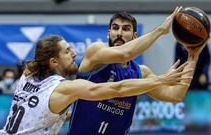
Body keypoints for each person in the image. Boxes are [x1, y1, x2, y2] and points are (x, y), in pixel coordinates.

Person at [0, 35, 191, 135]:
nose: (74, 53)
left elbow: (37, 107)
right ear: (53, 62)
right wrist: (160, 79)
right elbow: (117, 89)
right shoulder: (64, 88)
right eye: (67, 51)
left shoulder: (28, 75)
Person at [68, 7, 209, 135]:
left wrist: (193, 58)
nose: (119, 33)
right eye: (115, 28)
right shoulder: (95, 53)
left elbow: (174, 96)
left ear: (135, 36)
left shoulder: (141, 72)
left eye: (126, 29)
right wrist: (160, 30)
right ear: (108, 33)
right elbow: (125, 54)